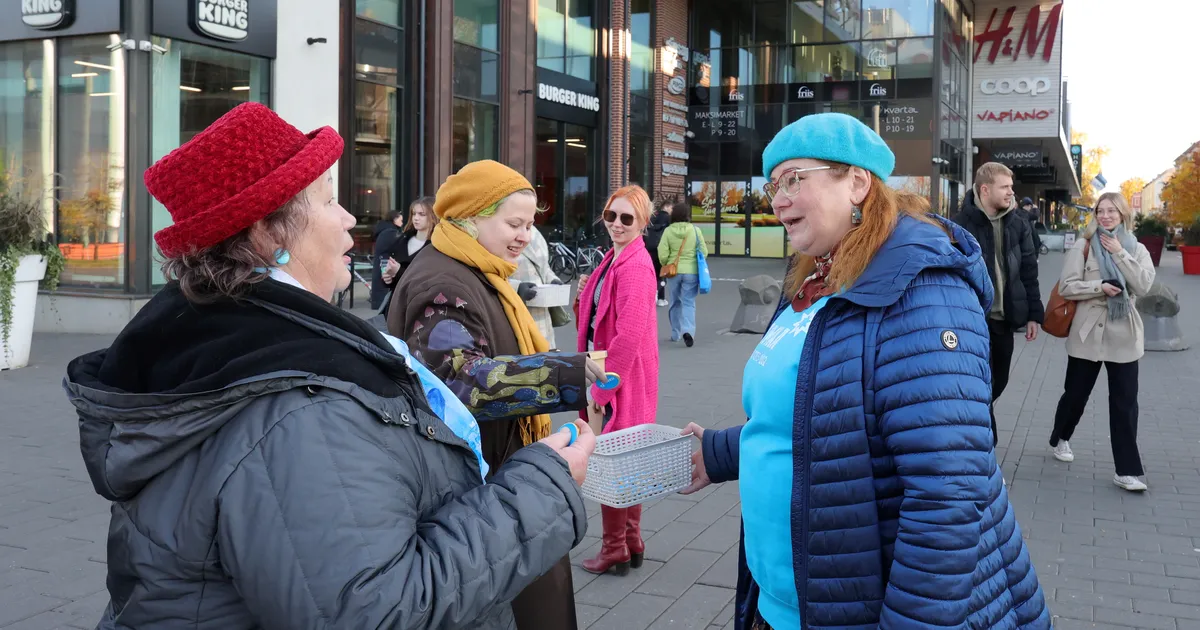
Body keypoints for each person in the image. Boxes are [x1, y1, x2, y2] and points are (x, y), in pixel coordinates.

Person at [62, 103, 597, 629]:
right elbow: (374, 610)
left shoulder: (240, 341)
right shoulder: (297, 404)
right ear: (270, 233)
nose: (349, 218)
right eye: (328, 200)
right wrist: (542, 488)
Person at [679, 113, 1051, 630]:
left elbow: (946, 496)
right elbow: (821, 414)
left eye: (794, 179)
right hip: (788, 599)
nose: (778, 199)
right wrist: (716, 453)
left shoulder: (924, 290)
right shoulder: (815, 275)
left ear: (856, 182)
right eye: (772, 186)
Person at [388, 159, 607, 630]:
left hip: (497, 477)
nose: (525, 235)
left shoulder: (474, 269)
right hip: (479, 489)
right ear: (470, 217)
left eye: (529, 224)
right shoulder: (443, 281)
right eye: (514, 223)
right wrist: (565, 375)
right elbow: (461, 382)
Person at [573, 185, 660, 576]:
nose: (617, 224)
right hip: (615, 370)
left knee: (612, 459)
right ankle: (631, 539)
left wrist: (605, 387)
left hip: (619, 375)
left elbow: (630, 332)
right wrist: (583, 299)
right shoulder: (615, 258)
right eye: (611, 216)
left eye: (627, 218)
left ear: (643, 222)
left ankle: (615, 548)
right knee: (628, 457)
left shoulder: (636, 265)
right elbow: (601, 316)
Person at [1049, 192, 1155, 492]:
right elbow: (1068, 287)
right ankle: (1061, 437)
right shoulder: (1083, 247)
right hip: (1088, 332)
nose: (1105, 216)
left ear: (1123, 215)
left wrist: (1120, 253)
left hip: (1124, 335)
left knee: (1125, 404)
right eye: (1100, 211)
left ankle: (1127, 471)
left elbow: (1144, 285)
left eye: (1112, 211)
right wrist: (1099, 287)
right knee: (1075, 396)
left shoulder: (1137, 248)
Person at [952, 162, 1044, 446]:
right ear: (985, 189)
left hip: (1006, 319)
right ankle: (986, 449)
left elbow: (1029, 268)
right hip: (975, 321)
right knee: (980, 385)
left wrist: (1033, 314)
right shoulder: (959, 225)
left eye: (1011, 187)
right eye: (1005, 187)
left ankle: (972, 426)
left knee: (997, 382)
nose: (1010, 192)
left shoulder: (1018, 223)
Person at [658, 200, 708, 347]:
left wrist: (668, 262)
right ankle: (688, 331)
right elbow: (704, 252)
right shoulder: (695, 230)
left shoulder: (668, 231)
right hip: (691, 272)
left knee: (674, 301)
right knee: (688, 302)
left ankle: (675, 333)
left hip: (673, 272)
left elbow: (662, 254)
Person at [378, 196, 437, 318]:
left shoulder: (436, 246)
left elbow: (428, 280)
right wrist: (387, 278)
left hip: (420, 307)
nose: (416, 218)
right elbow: (389, 267)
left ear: (433, 216)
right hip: (396, 305)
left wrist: (398, 271)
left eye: (422, 214)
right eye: (414, 213)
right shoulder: (402, 240)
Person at [513, 226, 566, 349]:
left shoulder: (534, 231)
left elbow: (543, 267)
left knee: (546, 360)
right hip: (517, 319)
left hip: (543, 318)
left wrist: (552, 279)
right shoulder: (495, 229)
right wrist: (516, 287)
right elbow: (485, 273)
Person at [369, 207, 404, 309]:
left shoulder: (385, 230)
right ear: (394, 219)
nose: (402, 222)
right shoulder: (390, 232)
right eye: (400, 220)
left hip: (383, 263)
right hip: (386, 264)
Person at [644, 200, 672, 306]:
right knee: (661, 273)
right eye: (671, 208)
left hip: (648, 248)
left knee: (651, 273)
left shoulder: (651, 217)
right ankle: (660, 297)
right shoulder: (668, 219)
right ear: (667, 207)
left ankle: (651, 294)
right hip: (660, 248)